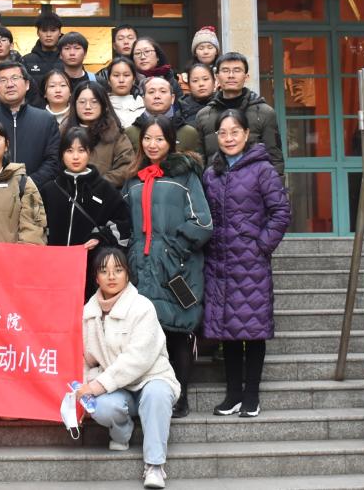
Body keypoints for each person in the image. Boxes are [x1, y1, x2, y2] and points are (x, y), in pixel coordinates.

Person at [122, 115, 213, 420]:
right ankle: (149, 396)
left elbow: (202, 222)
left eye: (159, 139)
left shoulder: (186, 176)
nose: (153, 144)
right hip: (142, 269)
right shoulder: (133, 179)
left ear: (171, 142)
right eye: (147, 138)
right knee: (146, 333)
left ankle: (180, 395)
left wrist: (173, 250)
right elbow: (124, 222)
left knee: (178, 329)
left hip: (177, 269)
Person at [202, 109, 290, 418]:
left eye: (235, 132)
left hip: (251, 263)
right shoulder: (211, 173)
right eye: (223, 133)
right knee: (228, 331)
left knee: (253, 330)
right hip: (219, 263)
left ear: (246, 134)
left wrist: (262, 245)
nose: (229, 138)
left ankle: (251, 395)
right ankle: (233, 395)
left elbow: (281, 212)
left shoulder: (263, 170)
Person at [75, 247, 178, 490]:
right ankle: (122, 431)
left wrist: (97, 385)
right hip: (116, 388)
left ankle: (155, 465)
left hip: (151, 379)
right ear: (96, 277)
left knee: (157, 395)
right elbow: (85, 359)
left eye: (118, 270)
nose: (111, 276)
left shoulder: (142, 307)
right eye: (104, 271)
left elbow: (137, 359)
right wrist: (86, 383)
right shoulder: (88, 313)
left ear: (127, 274)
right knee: (99, 406)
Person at [38, 128, 131, 298]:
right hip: (52, 271)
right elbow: (36, 226)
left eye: (81, 150)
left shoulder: (105, 190)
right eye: (69, 151)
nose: (75, 157)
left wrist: (100, 237)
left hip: (91, 273)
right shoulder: (49, 190)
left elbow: (123, 224)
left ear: (90, 153)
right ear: (61, 154)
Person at [0, 60, 61, 188]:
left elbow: (53, 161)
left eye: (15, 78)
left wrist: (26, 184)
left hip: (36, 193)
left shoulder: (46, 120)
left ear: (27, 84)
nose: (9, 84)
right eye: (2, 80)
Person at [194, 51, 285, 177]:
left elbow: (275, 160)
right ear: (217, 77)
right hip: (214, 186)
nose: (231, 75)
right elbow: (199, 162)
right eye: (225, 70)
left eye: (237, 70)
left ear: (246, 77)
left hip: (255, 186)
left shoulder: (264, 113)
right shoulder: (204, 115)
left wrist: (275, 187)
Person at [64, 82, 135, 188]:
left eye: (94, 102)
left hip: (104, 193)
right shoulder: (63, 132)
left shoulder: (115, 134)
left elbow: (126, 166)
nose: (88, 107)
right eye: (82, 102)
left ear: (103, 104)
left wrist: (98, 184)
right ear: (74, 104)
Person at [125, 77, 203, 160]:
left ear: (172, 98)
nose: (157, 96)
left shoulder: (188, 133)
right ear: (143, 99)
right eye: (151, 92)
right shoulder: (130, 133)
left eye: (163, 91)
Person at [22, 11, 64, 85]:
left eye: (53, 30)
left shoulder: (67, 58)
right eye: (44, 31)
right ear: (38, 33)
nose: (48, 35)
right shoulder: (26, 60)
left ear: (60, 32)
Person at [104, 56, 144, 129]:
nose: (121, 80)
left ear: (134, 80)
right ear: (109, 80)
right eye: (116, 75)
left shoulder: (144, 105)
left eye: (126, 75)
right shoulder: (101, 106)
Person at [177, 62, 216, 127]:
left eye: (205, 79)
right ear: (189, 85)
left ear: (214, 81)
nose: (201, 84)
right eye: (195, 81)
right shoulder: (181, 111)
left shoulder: (224, 104)